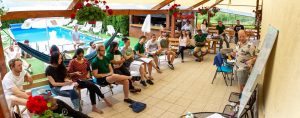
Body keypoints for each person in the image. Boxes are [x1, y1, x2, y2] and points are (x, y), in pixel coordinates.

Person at [68, 48, 112, 114]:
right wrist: (75, 73)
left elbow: (88, 69)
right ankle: (104, 99)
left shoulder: (85, 60)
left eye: (82, 56)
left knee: (92, 87)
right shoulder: (72, 62)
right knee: (92, 85)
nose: (81, 57)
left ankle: (94, 107)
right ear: (76, 55)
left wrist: (88, 74)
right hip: (78, 80)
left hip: (87, 79)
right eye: (79, 56)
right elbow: (69, 74)